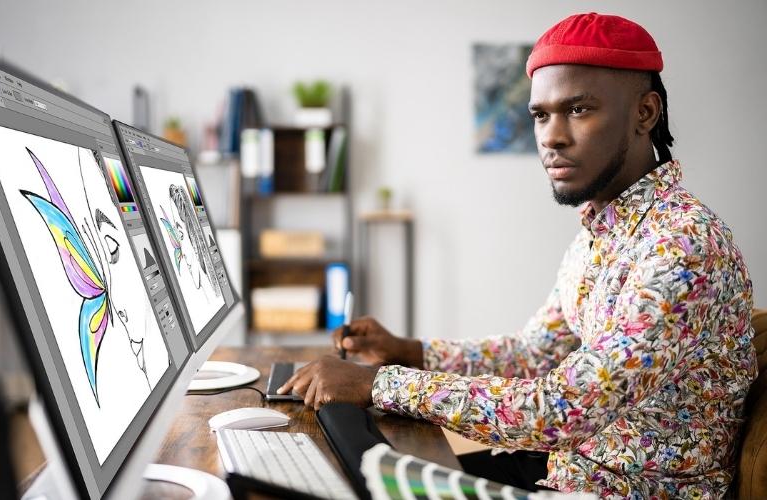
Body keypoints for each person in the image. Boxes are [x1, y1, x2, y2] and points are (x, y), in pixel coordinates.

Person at [278, 12, 756, 497]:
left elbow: (564, 410)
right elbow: (534, 355)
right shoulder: (601, 232)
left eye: (580, 109)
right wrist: (408, 351)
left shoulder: (682, 245)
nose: (551, 137)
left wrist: (380, 383)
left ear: (645, 114)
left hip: (623, 490)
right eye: (540, 115)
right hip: (567, 472)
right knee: (354, 479)